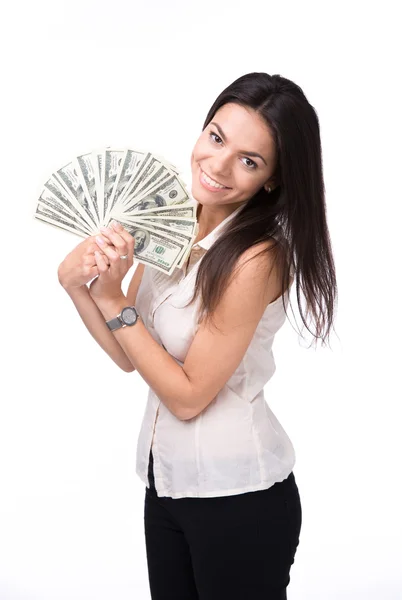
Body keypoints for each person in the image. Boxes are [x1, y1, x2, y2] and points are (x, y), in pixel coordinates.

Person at [57, 71, 337, 600]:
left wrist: (114, 300)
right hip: (165, 484)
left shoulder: (257, 257)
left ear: (272, 180)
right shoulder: (168, 221)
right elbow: (129, 354)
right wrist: (80, 288)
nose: (218, 166)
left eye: (249, 161)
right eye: (216, 137)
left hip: (239, 498)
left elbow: (187, 397)